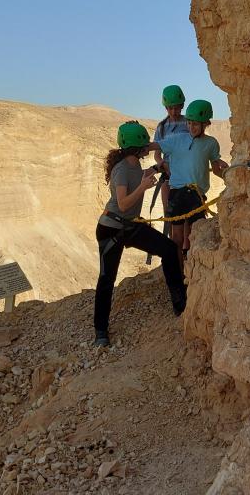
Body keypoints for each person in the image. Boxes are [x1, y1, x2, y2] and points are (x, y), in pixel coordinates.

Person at [94, 120, 187, 347]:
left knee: (167, 249)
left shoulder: (132, 164)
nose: (148, 147)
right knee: (107, 278)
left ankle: (179, 303)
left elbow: (138, 176)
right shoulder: (122, 170)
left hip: (129, 226)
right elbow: (123, 203)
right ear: (137, 147)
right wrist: (144, 187)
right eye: (144, 144)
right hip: (112, 228)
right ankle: (100, 331)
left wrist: (156, 169)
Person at [150, 99, 228, 269]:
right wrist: (135, 146)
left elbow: (215, 169)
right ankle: (177, 271)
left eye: (195, 125)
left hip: (197, 195)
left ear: (206, 124)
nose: (191, 127)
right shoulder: (176, 139)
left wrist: (230, 178)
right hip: (177, 193)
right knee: (176, 236)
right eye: (189, 123)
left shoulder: (211, 143)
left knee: (194, 236)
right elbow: (154, 146)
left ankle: (191, 272)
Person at [152, 85, 188, 234]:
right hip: (168, 175)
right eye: (170, 108)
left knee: (187, 217)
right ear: (166, 107)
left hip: (186, 174)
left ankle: (187, 253)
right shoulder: (161, 127)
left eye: (177, 108)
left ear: (182, 106)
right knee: (170, 216)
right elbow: (156, 154)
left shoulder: (189, 122)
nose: (174, 112)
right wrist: (163, 164)